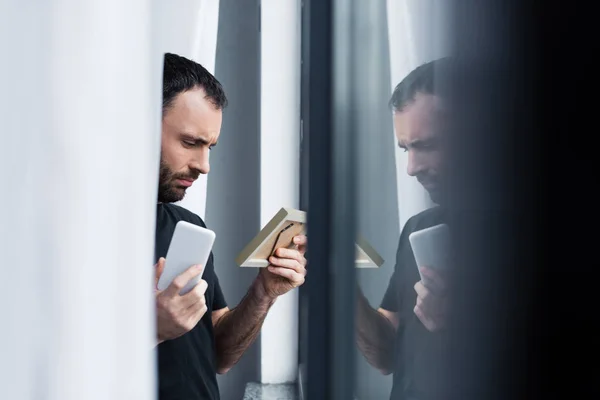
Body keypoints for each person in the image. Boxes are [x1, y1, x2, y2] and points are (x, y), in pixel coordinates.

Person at [154, 53, 308, 400]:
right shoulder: (85, 235)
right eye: (190, 143)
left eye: (209, 147)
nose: (204, 166)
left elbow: (218, 355)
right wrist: (151, 331)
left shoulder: (187, 226)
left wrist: (265, 291)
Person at [356, 58, 453, 400]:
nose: (412, 168)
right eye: (406, 149)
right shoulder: (419, 229)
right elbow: (386, 357)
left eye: (427, 145)